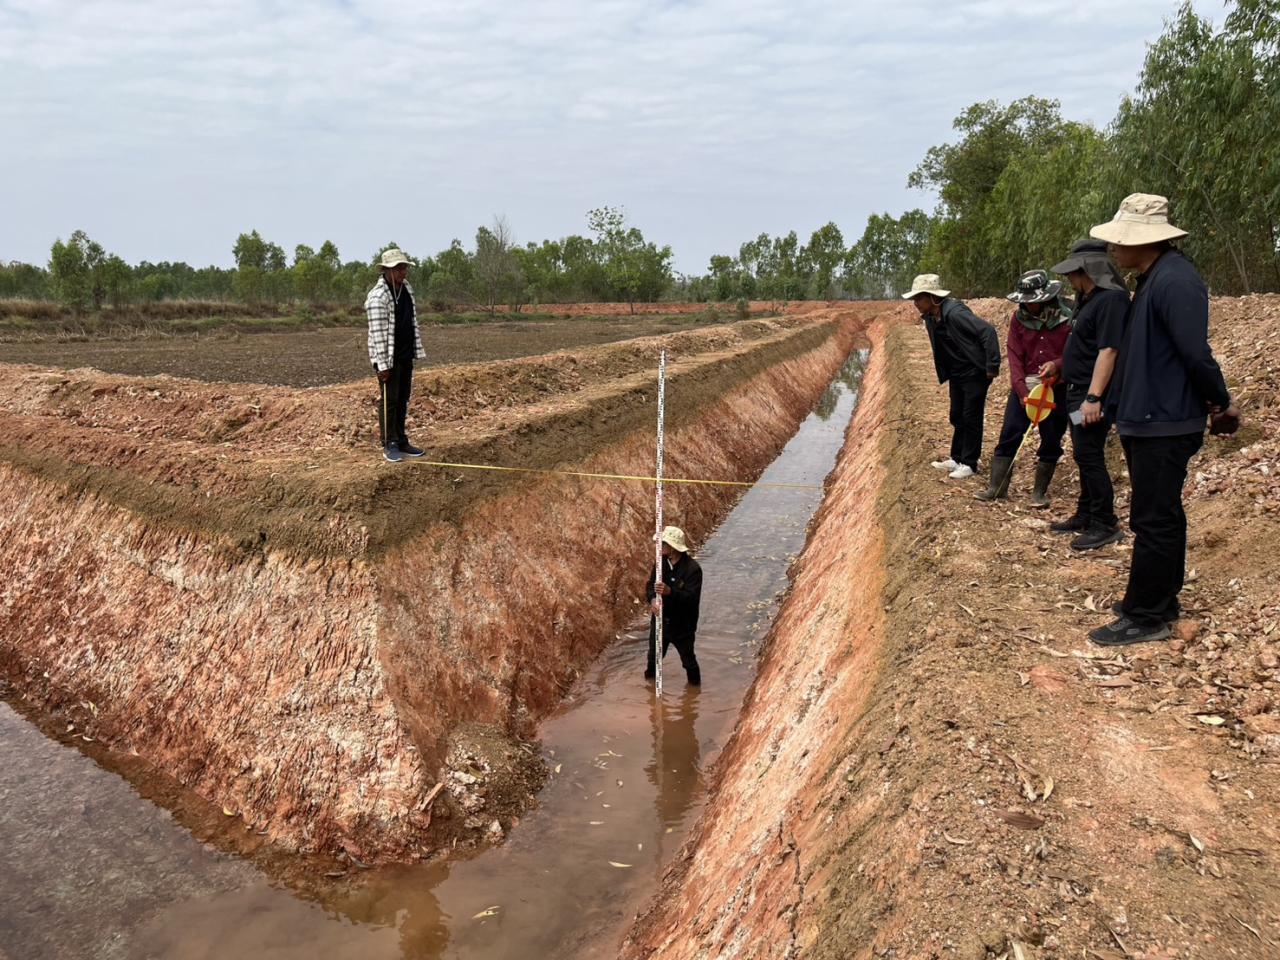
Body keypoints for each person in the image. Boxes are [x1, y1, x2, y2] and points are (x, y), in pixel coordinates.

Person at [1087, 193, 1240, 646]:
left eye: (1120, 242)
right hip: (1148, 416)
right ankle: (1160, 597)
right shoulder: (1152, 278)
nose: (1114, 251)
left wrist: (1219, 401)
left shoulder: (1176, 282)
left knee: (1153, 518)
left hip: (1165, 420)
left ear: (1146, 241)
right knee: (1161, 514)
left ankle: (1146, 614)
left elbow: (1196, 353)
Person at [1046, 239, 1131, 550]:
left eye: (1073, 273)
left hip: (1092, 395)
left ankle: (1105, 522)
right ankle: (1086, 512)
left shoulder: (1111, 301)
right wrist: (1060, 367)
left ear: (1088, 271)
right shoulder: (1087, 299)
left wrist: (1094, 397)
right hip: (1075, 389)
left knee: (1089, 454)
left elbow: (1109, 350)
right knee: (1083, 452)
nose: (1070, 279)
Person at [975, 270, 1072, 506]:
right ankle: (996, 487)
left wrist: (1057, 366)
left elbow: (1076, 351)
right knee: (1010, 433)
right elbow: (1014, 355)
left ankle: (1039, 492)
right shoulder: (1018, 320)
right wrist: (1021, 391)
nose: (1029, 307)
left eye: (1033, 302)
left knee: (1051, 438)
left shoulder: (1069, 316)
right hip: (1026, 387)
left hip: (1056, 388)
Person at [903, 274, 1001, 479]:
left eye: (919, 298)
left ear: (932, 297)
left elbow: (988, 332)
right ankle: (956, 458)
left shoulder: (955, 313)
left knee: (971, 417)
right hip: (957, 373)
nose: (915, 304)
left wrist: (992, 365)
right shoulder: (932, 317)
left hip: (974, 372)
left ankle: (969, 463)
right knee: (957, 415)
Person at [365, 248, 426, 463]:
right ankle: (389, 443)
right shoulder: (377, 297)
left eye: (405, 267)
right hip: (388, 358)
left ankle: (401, 439)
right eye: (400, 268)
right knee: (389, 400)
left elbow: (411, 320)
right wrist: (382, 365)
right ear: (388, 270)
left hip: (405, 353)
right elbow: (379, 334)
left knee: (403, 398)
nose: (404, 272)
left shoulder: (406, 289)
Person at [645, 526, 702, 686]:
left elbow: (691, 599)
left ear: (673, 547)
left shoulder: (693, 570)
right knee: (653, 660)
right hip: (660, 622)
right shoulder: (659, 564)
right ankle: (649, 689)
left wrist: (671, 592)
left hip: (683, 626)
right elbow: (650, 587)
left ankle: (694, 692)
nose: (659, 546)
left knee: (688, 662)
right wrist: (652, 601)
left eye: (663, 544)